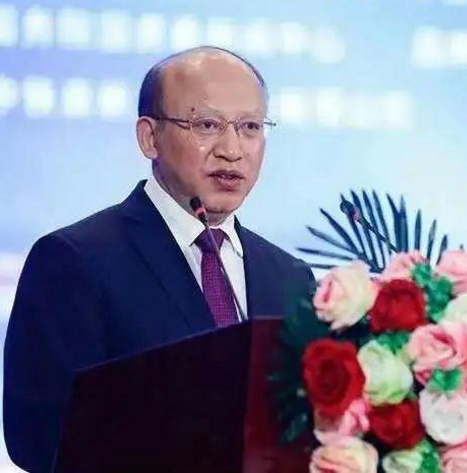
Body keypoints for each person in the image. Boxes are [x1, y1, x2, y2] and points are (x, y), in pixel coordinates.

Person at [3, 47, 315, 472]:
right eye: (206, 124)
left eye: (250, 127)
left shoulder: (290, 278)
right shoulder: (74, 261)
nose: (231, 150)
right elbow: (38, 438)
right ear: (149, 138)